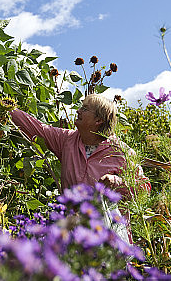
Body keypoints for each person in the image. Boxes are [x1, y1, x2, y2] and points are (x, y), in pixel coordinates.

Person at [10, 94, 150, 242]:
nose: (78, 111)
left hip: (108, 237)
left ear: (98, 120)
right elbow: (38, 128)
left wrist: (116, 181)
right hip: (73, 232)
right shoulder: (67, 140)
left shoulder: (122, 153)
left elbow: (144, 188)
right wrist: (8, 109)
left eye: (85, 109)